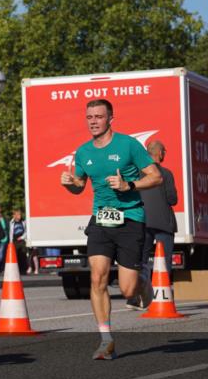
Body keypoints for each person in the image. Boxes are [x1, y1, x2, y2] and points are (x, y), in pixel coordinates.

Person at [60, 99, 162, 360]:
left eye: (98, 116)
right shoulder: (83, 152)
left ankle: (143, 282)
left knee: (128, 291)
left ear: (110, 119)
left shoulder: (128, 145)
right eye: (89, 117)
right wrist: (70, 183)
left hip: (130, 219)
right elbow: (80, 185)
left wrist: (129, 184)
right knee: (98, 278)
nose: (93, 121)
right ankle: (105, 339)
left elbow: (155, 176)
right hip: (101, 220)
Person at [127, 139, 178, 311]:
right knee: (164, 262)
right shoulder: (166, 173)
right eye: (164, 152)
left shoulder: (138, 174)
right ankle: (162, 297)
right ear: (160, 153)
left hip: (143, 222)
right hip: (163, 222)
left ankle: (134, 298)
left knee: (140, 260)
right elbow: (173, 199)